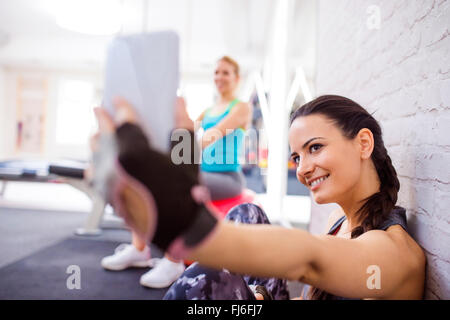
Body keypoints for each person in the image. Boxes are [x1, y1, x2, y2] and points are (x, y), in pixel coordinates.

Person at [93, 94, 426, 300]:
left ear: (363, 144)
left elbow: (309, 259)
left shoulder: (392, 253)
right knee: (247, 213)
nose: (304, 168)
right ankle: (178, 261)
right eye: (297, 157)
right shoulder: (340, 223)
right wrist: (260, 296)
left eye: (315, 148)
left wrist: (188, 224)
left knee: (205, 281)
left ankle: (178, 260)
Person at [100, 56, 253, 289]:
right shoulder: (209, 110)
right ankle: (139, 250)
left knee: (177, 183)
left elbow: (214, 135)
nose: (219, 77)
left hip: (228, 178)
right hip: (204, 174)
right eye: (216, 72)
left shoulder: (241, 108)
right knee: (146, 179)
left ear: (237, 78)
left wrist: (180, 155)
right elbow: (185, 128)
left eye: (225, 73)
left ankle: (173, 262)